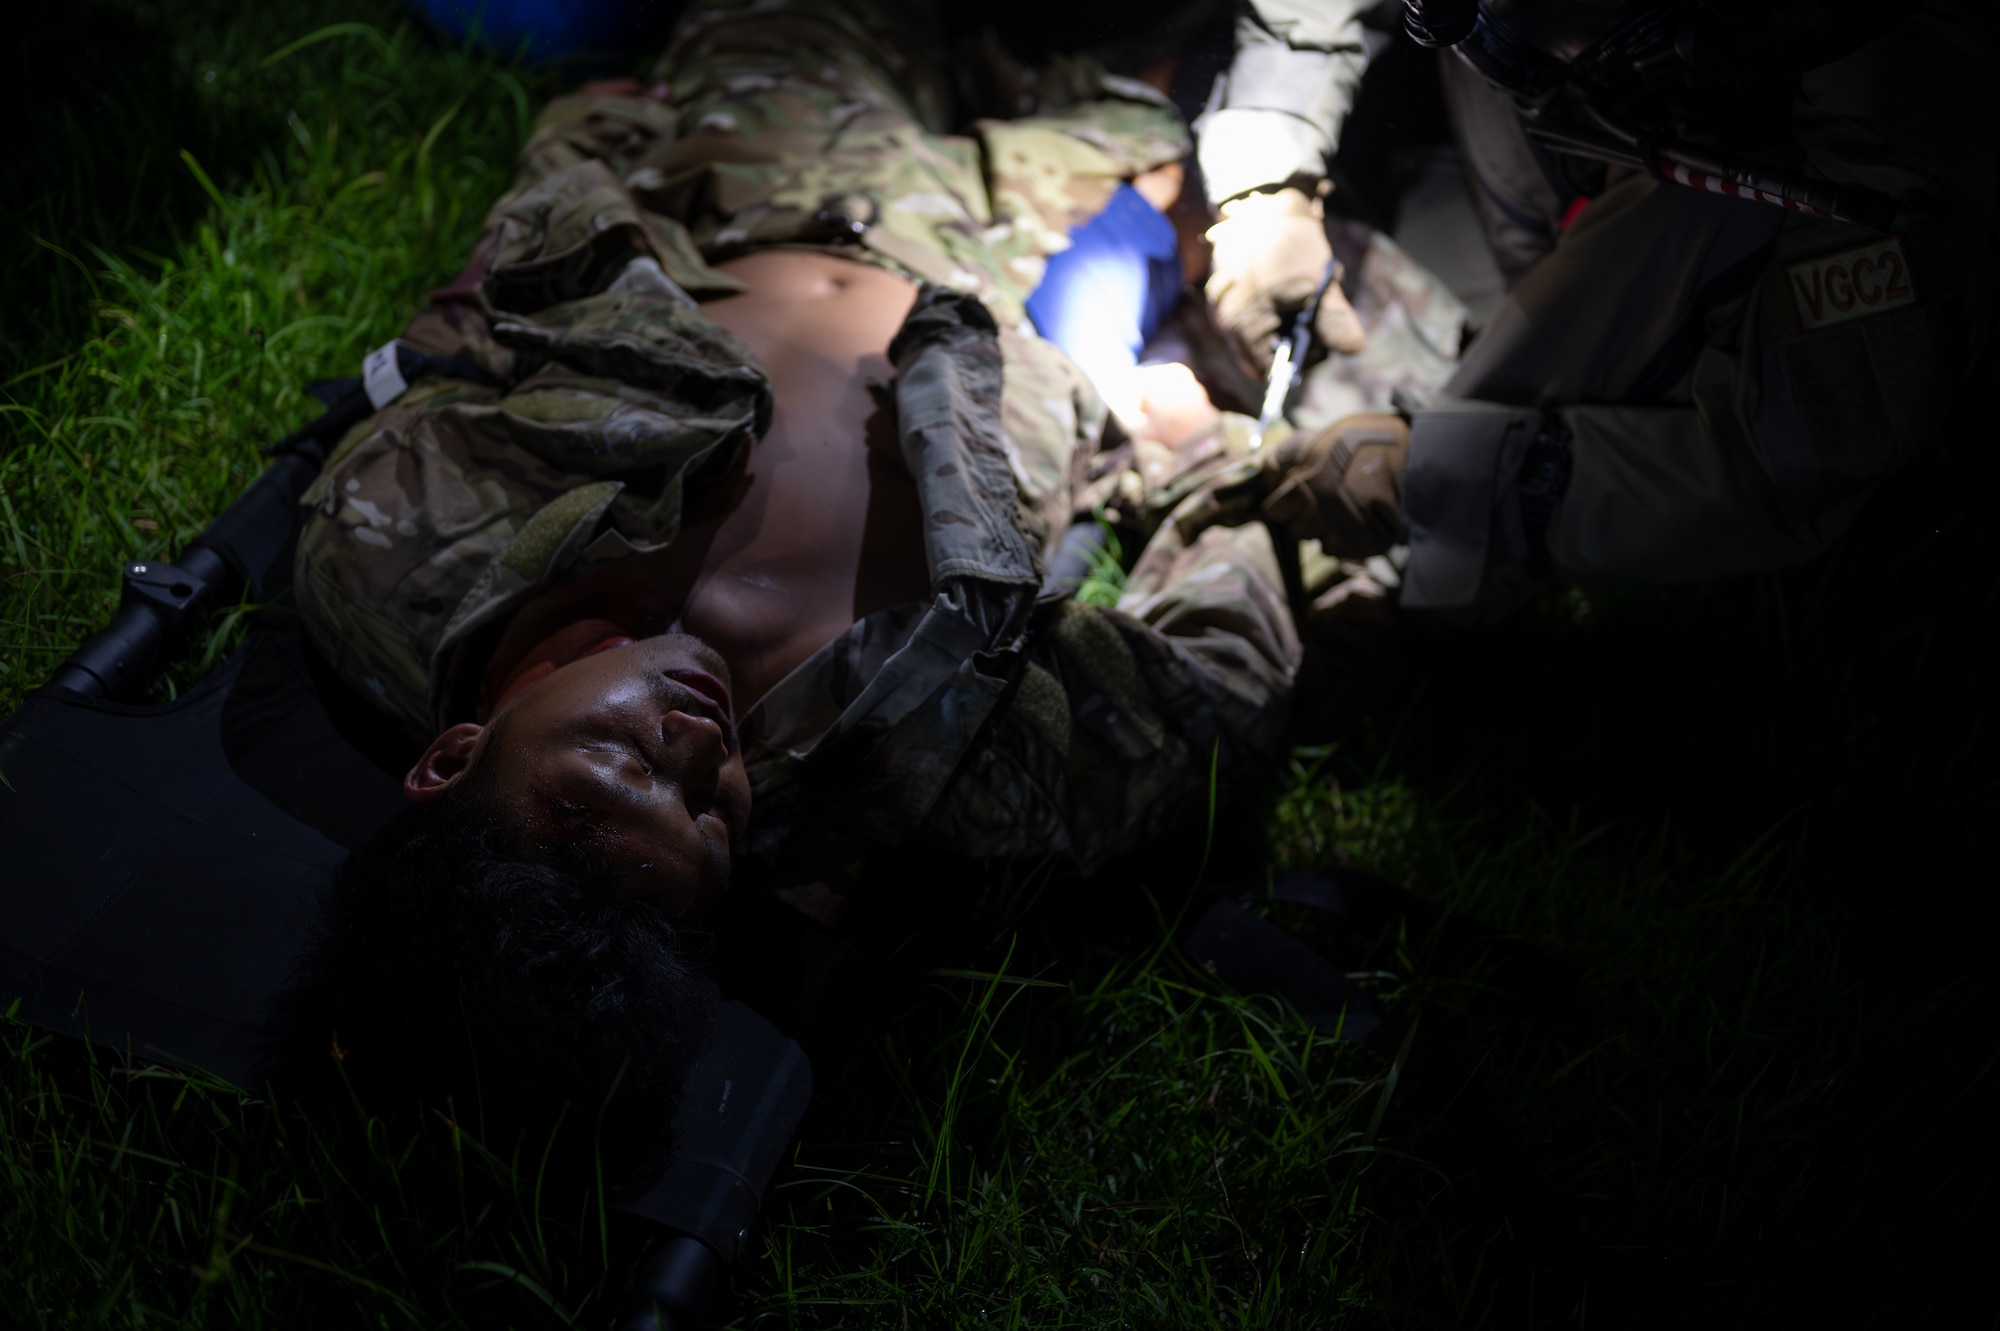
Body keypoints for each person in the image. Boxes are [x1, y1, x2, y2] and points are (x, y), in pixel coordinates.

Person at [271, 0, 1301, 1169]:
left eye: (613, 770)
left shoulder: (390, 546)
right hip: (1036, 295)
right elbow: (1221, 693)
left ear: (450, 756)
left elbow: (471, 331)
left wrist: (578, 151)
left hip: (781, 177)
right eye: (709, 821)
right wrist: (1195, 454)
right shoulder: (934, 756)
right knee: (1214, 134)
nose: (695, 750)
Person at [1197, 0, 1996, 618]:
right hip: (1556, 181)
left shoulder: (1898, 86)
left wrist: (1441, 483)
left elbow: (1795, 453)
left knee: (1438, 519)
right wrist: (1269, 180)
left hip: (1737, 229)